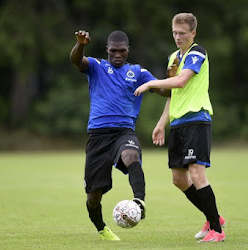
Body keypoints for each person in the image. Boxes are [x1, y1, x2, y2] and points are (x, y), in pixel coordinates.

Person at [134, 13, 226, 242]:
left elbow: (181, 81)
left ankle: (217, 230)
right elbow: (174, 93)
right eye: (174, 32)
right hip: (178, 124)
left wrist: (150, 83)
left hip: (197, 120)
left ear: (193, 33)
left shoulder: (198, 52)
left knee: (196, 173)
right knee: (179, 179)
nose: (177, 37)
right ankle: (213, 216)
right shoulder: (174, 58)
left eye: (182, 33)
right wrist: (161, 123)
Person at [70, 30, 158, 241]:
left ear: (128, 50)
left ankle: (139, 202)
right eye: (113, 51)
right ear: (107, 50)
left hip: (123, 131)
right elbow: (75, 60)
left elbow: (162, 88)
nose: (117, 55)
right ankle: (102, 228)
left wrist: (172, 80)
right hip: (98, 136)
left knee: (131, 155)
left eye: (122, 51)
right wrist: (80, 44)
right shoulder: (96, 66)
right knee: (93, 196)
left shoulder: (137, 72)